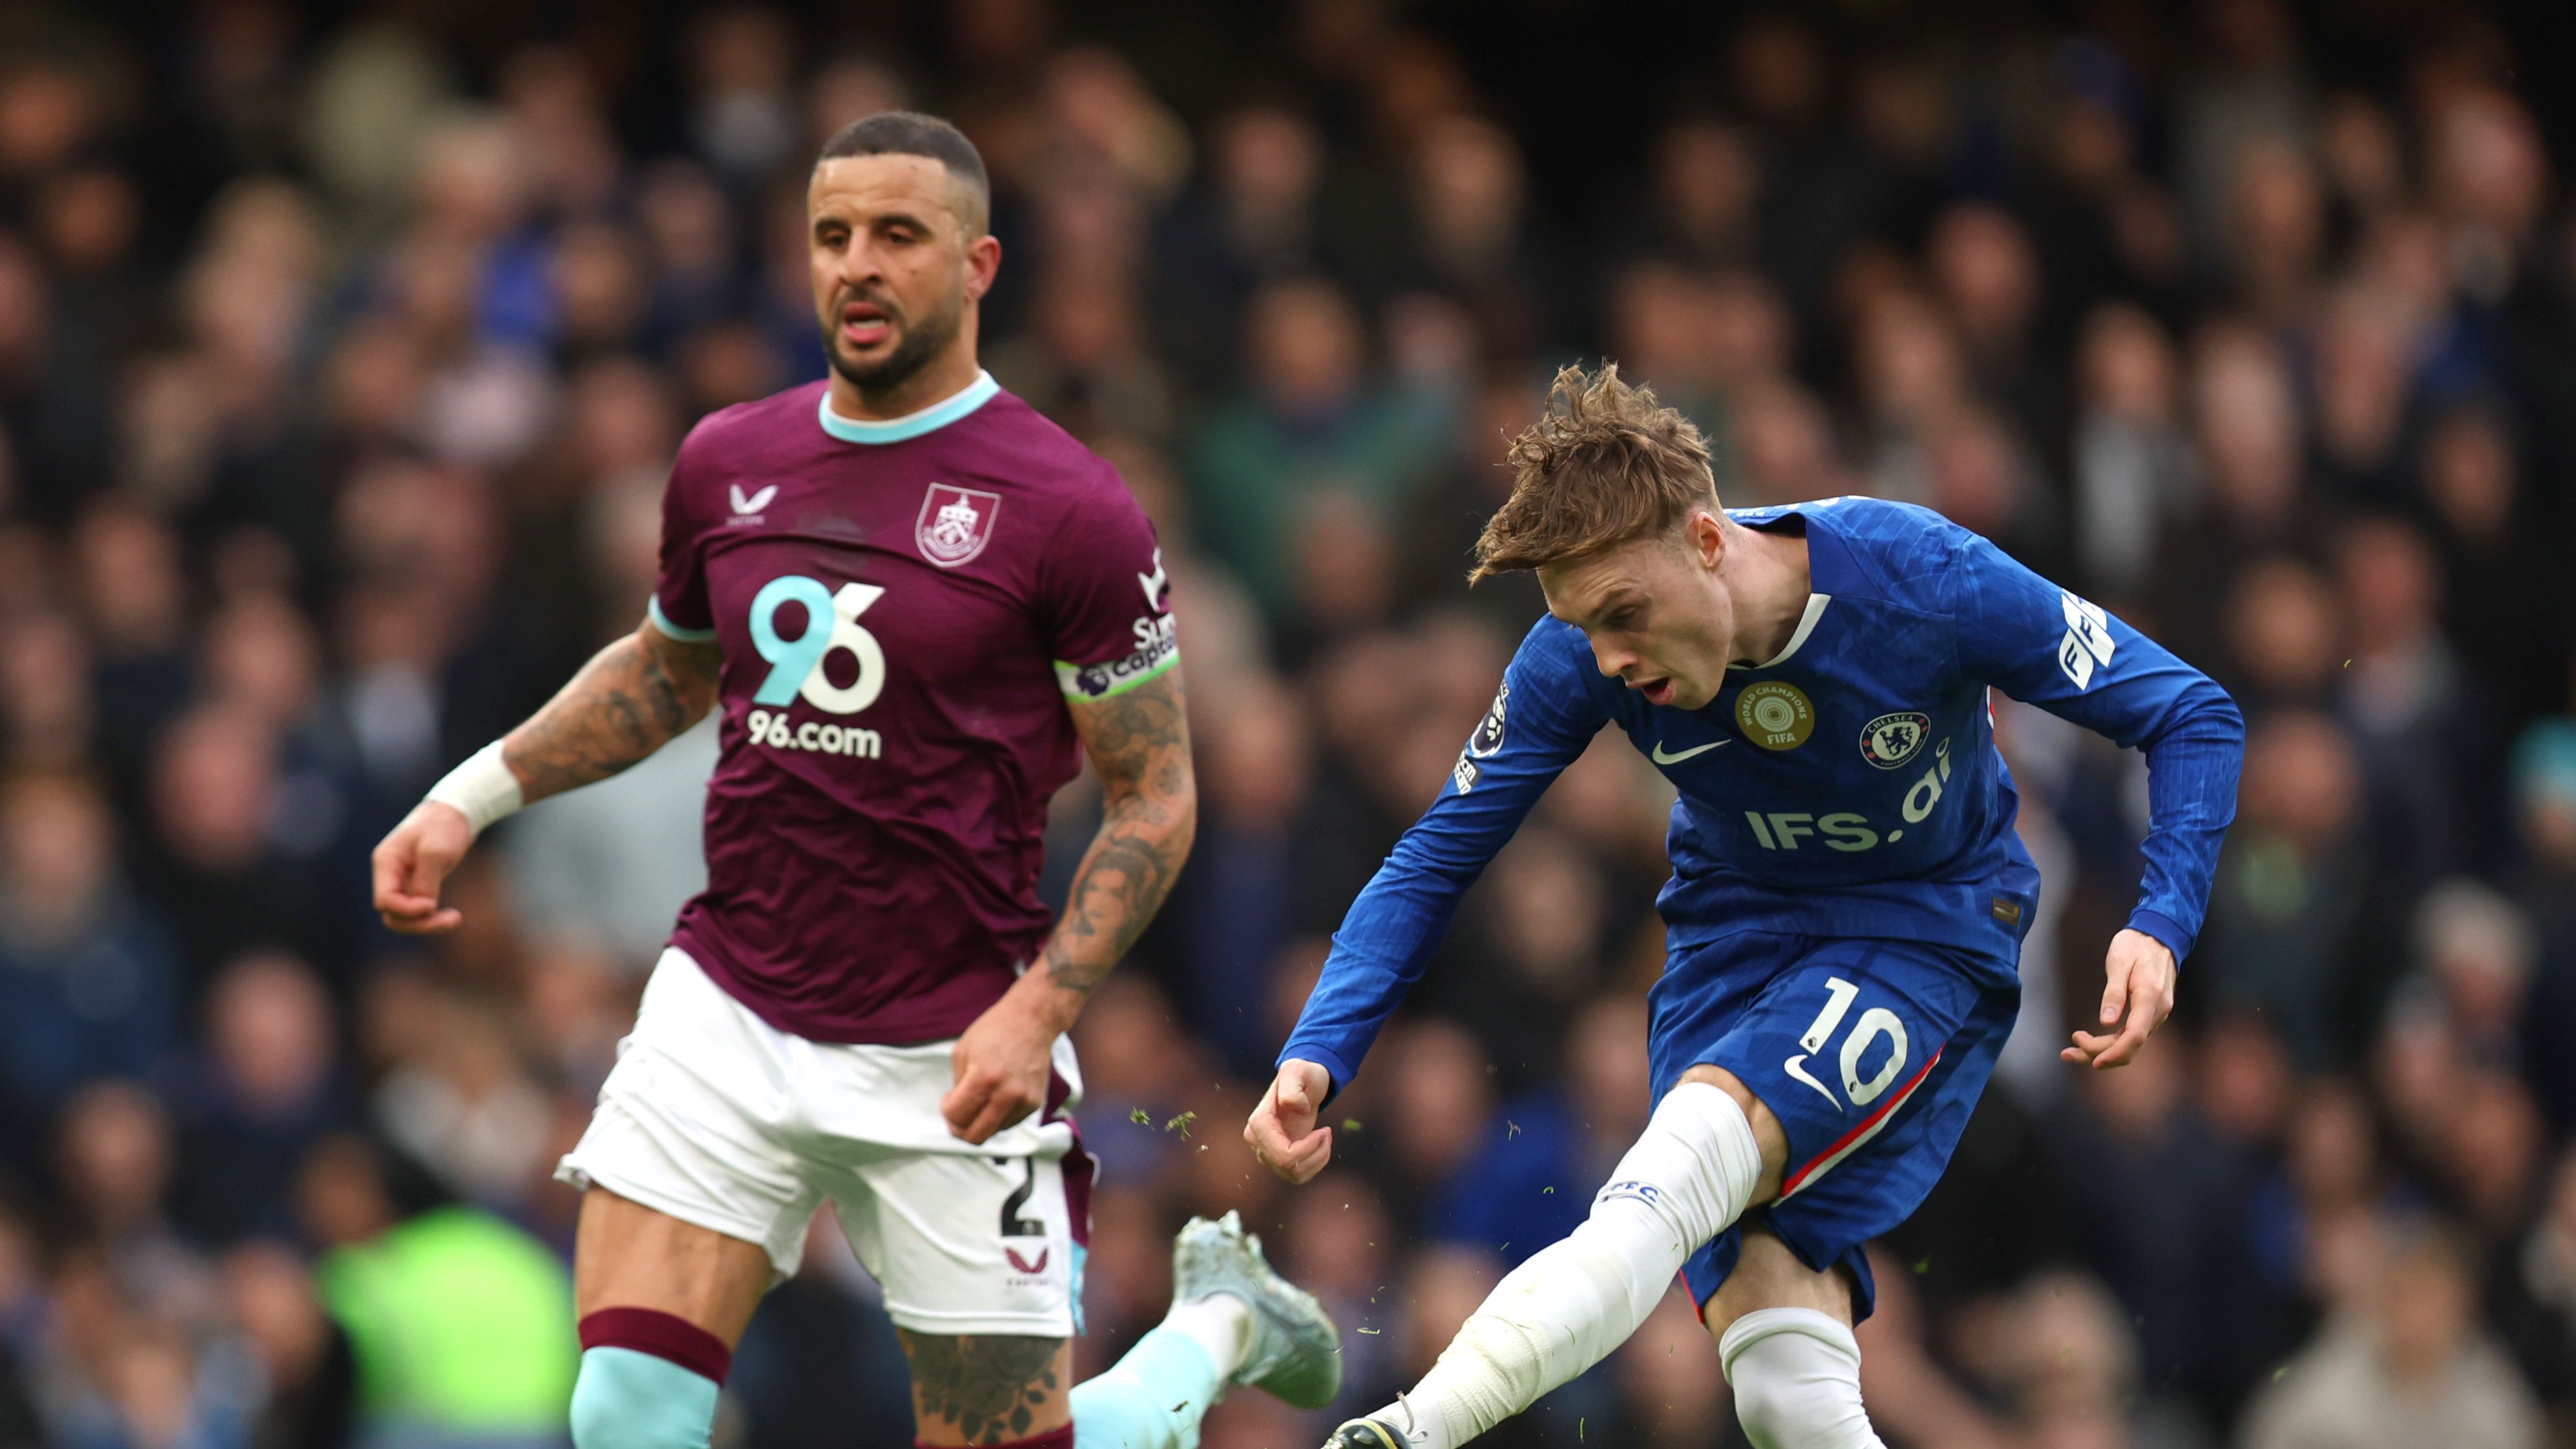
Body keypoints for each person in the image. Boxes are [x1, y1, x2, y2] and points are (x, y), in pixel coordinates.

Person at [370, 111, 1339, 1449]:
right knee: (625, 1412)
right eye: (831, 235)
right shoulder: (728, 459)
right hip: (731, 1004)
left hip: (952, 1042)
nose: (858, 264)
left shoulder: (1072, 510)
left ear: (978, 264)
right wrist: (466, 796)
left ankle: (1216, 1324)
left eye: (897, 234)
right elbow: (665, 672)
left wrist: (1041, 1007)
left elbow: (1157, 793)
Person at [1244, 364, 2245, 1449]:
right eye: (1585, 626)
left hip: (1921, 931)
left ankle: (1410, 1430)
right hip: (1730, 947)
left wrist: (2160, 922)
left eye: (1625, 613)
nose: (1610, 657)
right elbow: (1439, 851)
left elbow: (2191, 712)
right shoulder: (1582, 661)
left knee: (1670, 1178)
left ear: (1709, 542)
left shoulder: (1923, 578)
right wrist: (1321, 1045)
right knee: (1780, 1388)